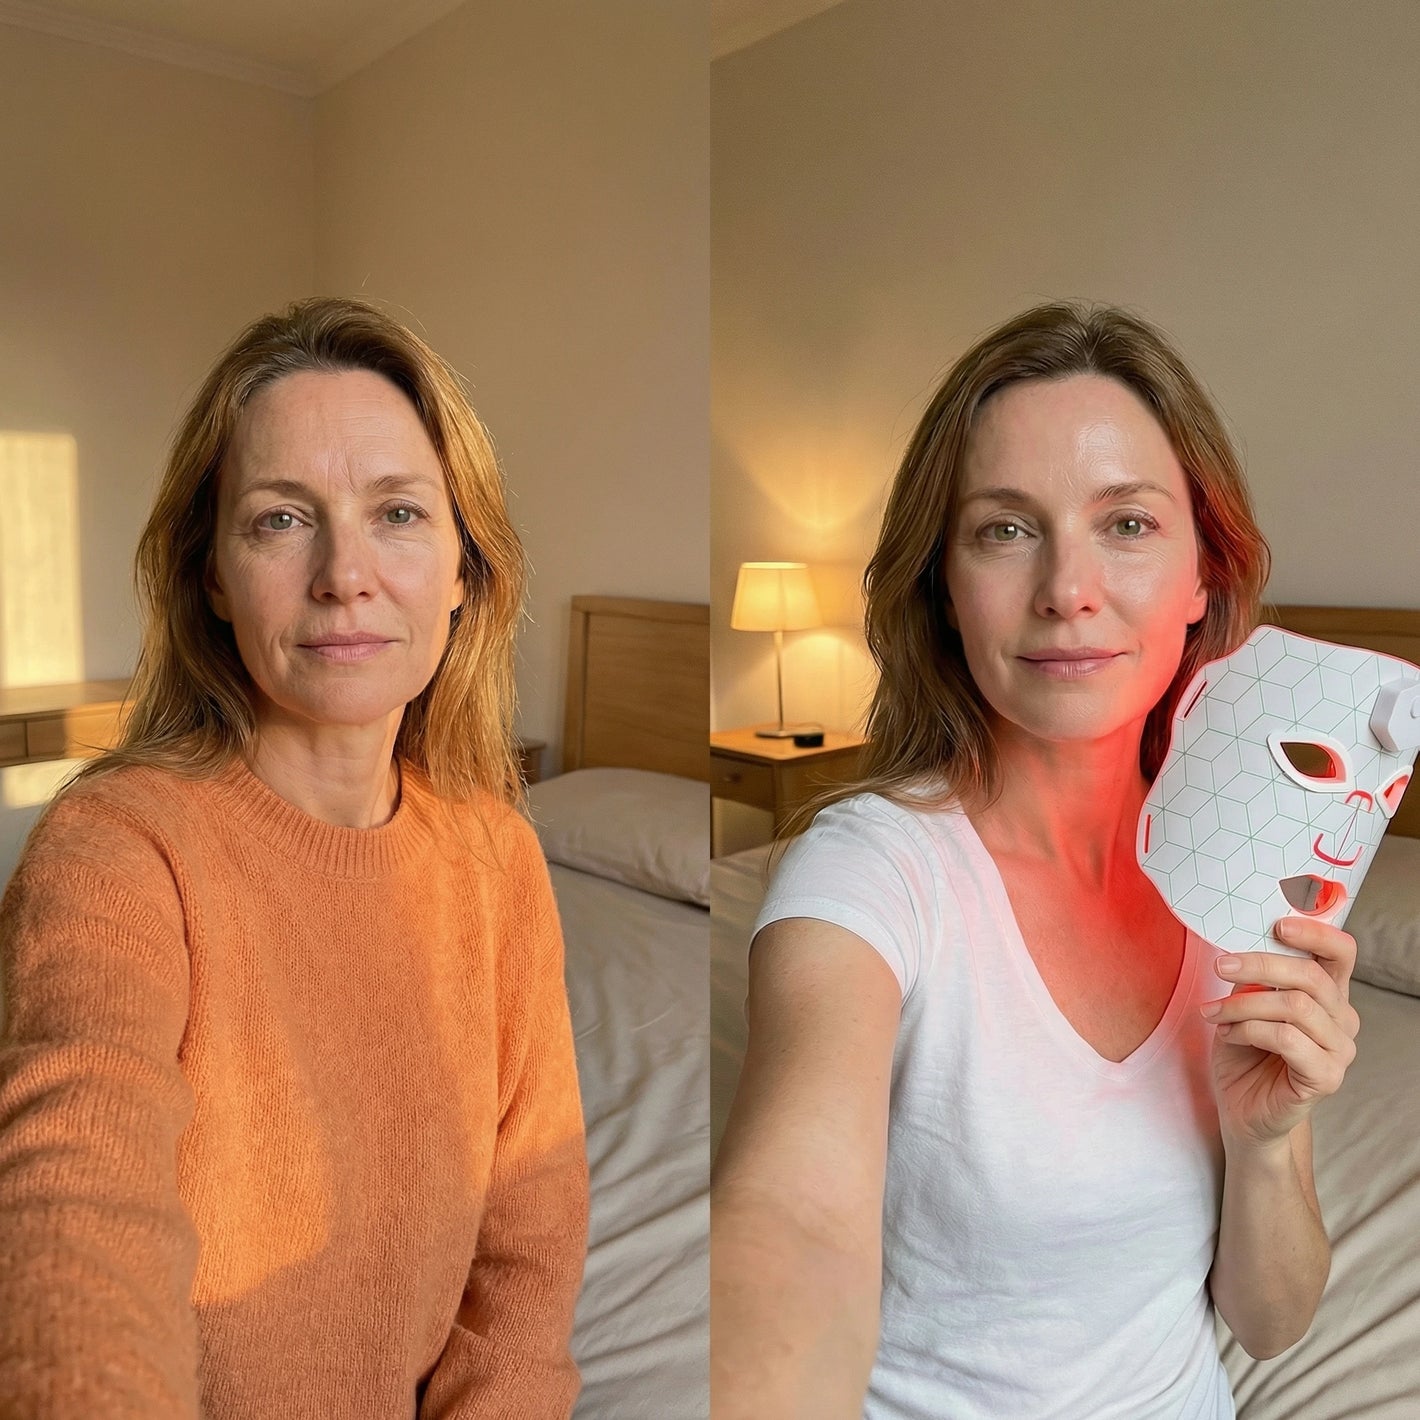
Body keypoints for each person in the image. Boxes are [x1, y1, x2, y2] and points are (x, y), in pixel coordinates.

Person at [711, 303, 1360, 1419]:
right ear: (942, 588)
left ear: (1204, 575)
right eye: (1005, 530)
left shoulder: (1254, 882)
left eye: (1128, 523)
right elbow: (794, 1222)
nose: (1067, 588)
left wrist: (1268, 1144)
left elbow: (1268, 1322)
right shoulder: (867, 874)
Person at [0, 298, 589, 1418]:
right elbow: (77, 1202)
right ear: (213, 577)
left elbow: (529, 1249)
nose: (343, 574)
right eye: (279, 520)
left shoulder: (500, 855)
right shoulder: (115, 851)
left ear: (464, 569)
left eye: (398, 513)